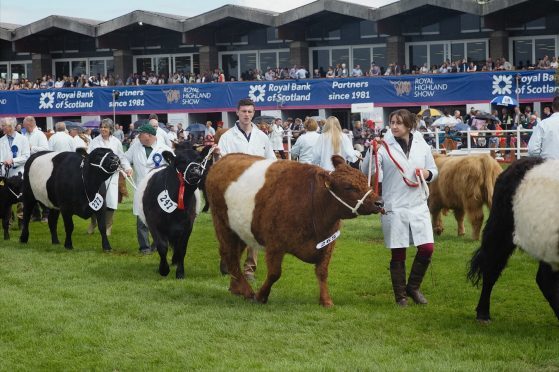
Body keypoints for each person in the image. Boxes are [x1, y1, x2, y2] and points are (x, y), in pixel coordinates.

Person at [361, 109, 438, 307]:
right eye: (392, 122)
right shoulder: (384, 146)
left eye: (399, 123)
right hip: (394, 203)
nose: (394, 126)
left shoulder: (422, 144)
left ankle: (413, 287)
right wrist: (372, 151)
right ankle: (400, 296)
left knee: (427, 247)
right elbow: (367, 171)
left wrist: (427, 173)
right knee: (399, 250)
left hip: (418, 202)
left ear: (409, 126)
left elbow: (434, 170)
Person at [215, 98, 276, 280]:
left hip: (257, 189)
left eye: (250, 111)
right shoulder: (227, 137)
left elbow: (271, 160)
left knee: (255, 229)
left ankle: (249, 268)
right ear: (237, 112)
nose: (247, 115)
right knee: (232, 228)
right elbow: (223, 164)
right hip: (235, 188)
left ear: (254, 113)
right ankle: (228, 258)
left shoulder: (262, 137)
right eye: (244, 111)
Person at [124, 124, 172, 254]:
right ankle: (144, 247)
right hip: (141, 188)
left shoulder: (164, 149)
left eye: (141, 133)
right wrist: (128, 168)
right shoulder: (135, 146)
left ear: (149, 136)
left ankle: (158, 243)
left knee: (160, 218)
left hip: (160, 189)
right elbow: (124, 158)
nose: (138, 136)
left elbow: (174, 167)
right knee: (141, 217)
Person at [87, 118, 131, 235]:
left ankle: (108, 226)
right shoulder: (94, 141)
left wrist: (127, 168)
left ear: (111, 129)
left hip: (112, 176)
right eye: (101, 127)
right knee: (95, 200)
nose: (103, 129)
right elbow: (88, 157)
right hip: (97, 176)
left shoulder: (116, 142)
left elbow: (121, 157)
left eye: (105, 127)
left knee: (111, 201)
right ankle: (93, 222)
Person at [0, 117, 30, 229]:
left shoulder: (23, 139)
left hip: (19, 174)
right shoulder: (1, 140)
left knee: (21, 200)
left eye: (4, 126)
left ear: (11, 127)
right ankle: (8, 221)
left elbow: (27, 156)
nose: (2, 128)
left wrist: (13, 161)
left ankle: (22, 222)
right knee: (5, 199)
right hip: (5, 175)